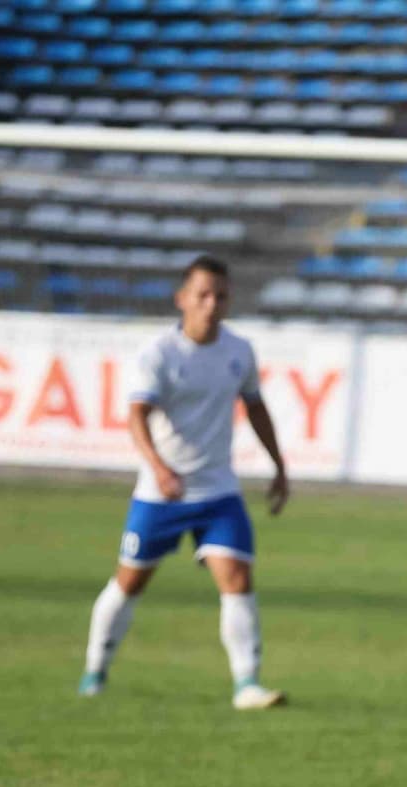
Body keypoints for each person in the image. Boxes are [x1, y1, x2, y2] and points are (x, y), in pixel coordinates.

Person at [79, 254, 290, 709]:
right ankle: (95, 669)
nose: (212, 304)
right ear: (182, 299)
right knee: (130, 582)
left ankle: (246, 683)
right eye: (203, 295)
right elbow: (136, 416)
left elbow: (255, 407)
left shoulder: (239, 350)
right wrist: (158, 467)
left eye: (221, 295)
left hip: (217, 490)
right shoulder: (159, 354)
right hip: (162, 493)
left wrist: (279, 465)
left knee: (236, 577)